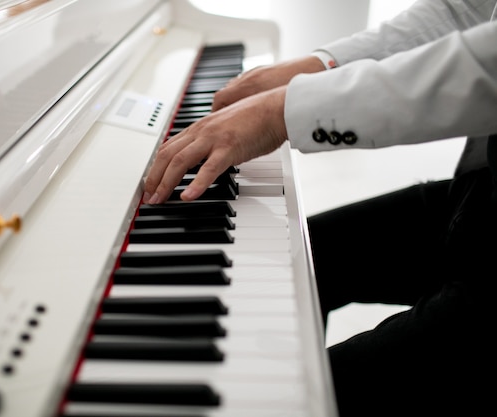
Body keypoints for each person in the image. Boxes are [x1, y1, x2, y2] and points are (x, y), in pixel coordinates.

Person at [143, 0, 497, 415]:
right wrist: (319, 65)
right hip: (482, 191)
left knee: (279, 402)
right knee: (287, 263)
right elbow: (465, 10)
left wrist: (283, 111)